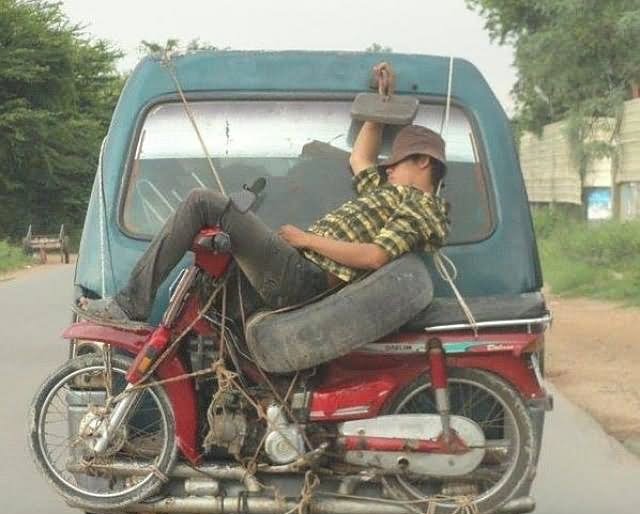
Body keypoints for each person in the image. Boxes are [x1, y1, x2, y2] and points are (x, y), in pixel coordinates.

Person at [81, 64, 450, 324]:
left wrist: (306, 239)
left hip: (305, 275)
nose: (387, 168)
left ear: (422, 162)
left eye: (397, 163)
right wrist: (381, 102)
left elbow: (374, 256)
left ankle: (131, 305)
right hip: (298, 265)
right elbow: (361, 156)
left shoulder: (419, 207)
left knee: (203, 202)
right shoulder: (389, 193)